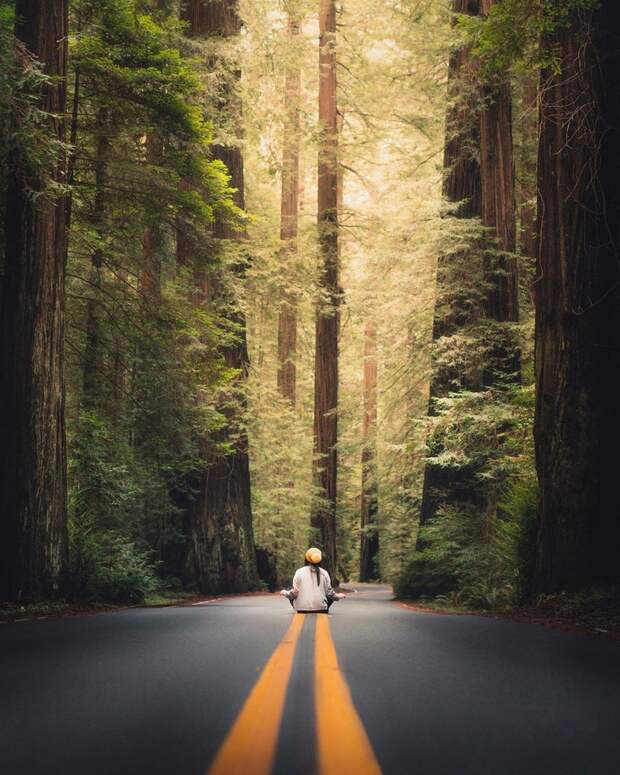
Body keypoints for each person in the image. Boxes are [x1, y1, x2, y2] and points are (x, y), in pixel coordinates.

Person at [280, 548, 346, 613]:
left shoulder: (299, 572)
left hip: (301, 609)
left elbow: (294, 593)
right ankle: (320, 606)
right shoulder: (324, 573)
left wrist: (285, 593)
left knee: (291, 596)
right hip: (321, 608)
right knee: (329, 597)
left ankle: (302, 607)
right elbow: (329, 593)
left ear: (306, 559)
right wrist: (338, 596)